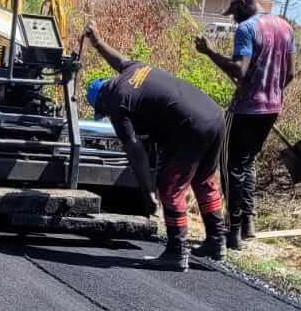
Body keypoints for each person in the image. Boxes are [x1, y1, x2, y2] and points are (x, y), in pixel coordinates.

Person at [81, 22, 226, 271]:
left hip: (190, 126)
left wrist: (148, 191)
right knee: (204, 181)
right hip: (214, 116)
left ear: (102, 102)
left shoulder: (117, 103)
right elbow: (117, 58)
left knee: (169, 188)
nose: (105, 115)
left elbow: (134, 149)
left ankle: (176, 252)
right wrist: (96, 41)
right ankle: (216, 240)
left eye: (102, 112)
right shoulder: (132, 71)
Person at [195, 0, 295, 250]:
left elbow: (239, 70)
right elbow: (290, 74)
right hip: (272, 109)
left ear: (241, 5)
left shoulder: (247, 29)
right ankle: (247, 225)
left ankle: (232, 232)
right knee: (248, 164)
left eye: (233, 13)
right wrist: (269, 90)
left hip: (245, 110)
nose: (232, 19)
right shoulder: (285, 27)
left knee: (231, 168)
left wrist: (209, 52)